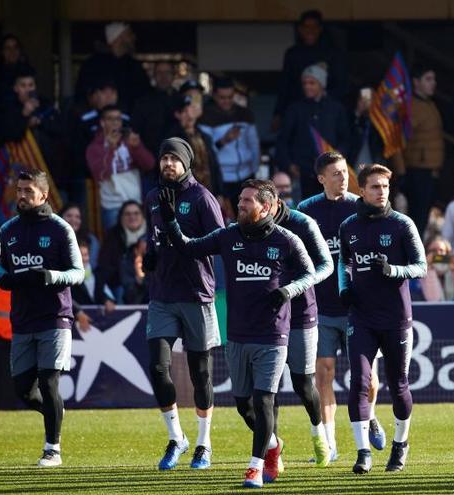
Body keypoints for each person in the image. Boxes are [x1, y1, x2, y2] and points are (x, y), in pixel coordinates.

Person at [162, 178, 314, 488]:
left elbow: (309, 273)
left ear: (266, 207)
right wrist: (170, 220)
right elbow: (188, 248)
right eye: (241, 199)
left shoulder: (286, 240)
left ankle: (255, 467)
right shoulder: (228, 236)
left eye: (247, 201)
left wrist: (288, 290)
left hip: (273, 335)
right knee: (244, 406)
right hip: (238, 335)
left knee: (263, 400)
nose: (240, 204)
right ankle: (273, 445)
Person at [297, 152, 387, 464]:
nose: (343, 178)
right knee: (323, 375)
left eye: (345, 172)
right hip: (321, 309)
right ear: (321, 178)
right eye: (335, 173)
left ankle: (370, 416)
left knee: (368, 379)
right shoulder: (306, 211)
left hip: (359, 309)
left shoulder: (361, 207)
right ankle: (330, 443)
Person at [142, 137, 225, 471]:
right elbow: (152, 235)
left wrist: (181, 239)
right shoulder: (153, 197)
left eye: (174, 158)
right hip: (162, 294)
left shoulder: (202, 197)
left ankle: (204, 443)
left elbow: (219, 241)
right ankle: (177, 437)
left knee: (200, 373)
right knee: (158, 368)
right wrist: (150, 254)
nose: (168, 164)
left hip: (196, 294)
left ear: (186, 162)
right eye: (164, 158)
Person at [338, 164, 426, 474]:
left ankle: (400, 445)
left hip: (396, 318)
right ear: (361, 190)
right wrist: (344, 288)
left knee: (398, 384)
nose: (381, 191)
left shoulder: (402, 224)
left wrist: (393, 271)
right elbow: (344, 262)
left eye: (385, 186)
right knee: (359, 382)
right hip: (361, 317)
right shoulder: (348, 226)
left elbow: (421, 266)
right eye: (375, 186)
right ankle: (363, 452)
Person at [0, 169, 84, 467]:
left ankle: (52, 449)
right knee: (23, 390)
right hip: (22, 319)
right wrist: (3, 278)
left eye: (28, 191)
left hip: (55, 317)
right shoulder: (8, 230)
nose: (21, 196)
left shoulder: (60, 229)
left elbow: (78, 272)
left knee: (48, 382)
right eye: (19, 190)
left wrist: (52, 276)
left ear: (44, 195)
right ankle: (55, 412)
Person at [271, 192, 334, 466]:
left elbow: (326, 265)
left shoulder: (303, 223)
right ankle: (272, 450)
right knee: (267, 389)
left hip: (301, 314)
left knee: (304, 384)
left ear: (274, 203)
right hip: (268, 317)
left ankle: (318, 433)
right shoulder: (247, 228)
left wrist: (298, 286)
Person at [276, 64, 349, 198]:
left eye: (312, 83)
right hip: (302, 174)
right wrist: (289, 165)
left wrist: (338, 156)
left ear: (322, 84)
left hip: (329, 172)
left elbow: (345, 139)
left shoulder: (336, 108)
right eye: (305, 83)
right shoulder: (295, 109)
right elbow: (282, 140)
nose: (307, 86)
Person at [391, 64, 444, 234]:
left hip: (430, 172)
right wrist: (401, 173)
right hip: (416, 172)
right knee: (415, 221)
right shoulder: (411, 108)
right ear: (416, 82)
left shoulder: (430, 104)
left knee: (423, 220)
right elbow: (396, 141)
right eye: (428, 79)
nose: (433, 83)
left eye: (434, 79)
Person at [85, 104, 155, 229]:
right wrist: (111, 149)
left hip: (135, 202)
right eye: (110, 119)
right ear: (102, 122)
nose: (115, 123)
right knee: (115, 240)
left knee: (140, 240)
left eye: (118, 119)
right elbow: (100, 175)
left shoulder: (129, 141)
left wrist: (137, 147)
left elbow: (149, 165)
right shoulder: (95, 147)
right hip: (112, 206)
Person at [273, 10, 348, 126]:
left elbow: (341, 85)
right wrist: (278, 113)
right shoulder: (293, 54)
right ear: (300, 29)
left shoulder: (332, 53)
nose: (310, 31)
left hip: (325, 111)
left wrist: (322, 100)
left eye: (314, 27)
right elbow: (285, 85)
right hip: (298, 112)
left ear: (320, 29)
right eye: (306, 27)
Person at [200, 77, 260, 206]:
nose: (227, 101)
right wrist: (224, 140)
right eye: (222, 98)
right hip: (222, 176)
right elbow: (204, 151)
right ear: (214, 96)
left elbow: (254, 144)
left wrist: (255, 170)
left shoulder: (245, 113)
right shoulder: (206, 116)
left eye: (230, 97)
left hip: (246, 174)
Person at [74, 22, 150, 111]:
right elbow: (82, 96)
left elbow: (146, 96)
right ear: (118, 37)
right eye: (129, 34)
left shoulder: (135, 66)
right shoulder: (92, 65)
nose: (134, 37)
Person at [168, 95, 224, 198]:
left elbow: (214, 166)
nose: (189, 115)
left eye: (191, 110)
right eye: (184, 111)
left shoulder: (204, 136)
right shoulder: (173, 140)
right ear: (177, 114)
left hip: (209, 194)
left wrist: (219, 193)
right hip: (187, 196)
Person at [96, 200, 145, 303]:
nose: (132, 217)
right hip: (120, 286)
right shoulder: (112, 237)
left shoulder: (152, 234)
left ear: (143, 216)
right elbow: (104, 269)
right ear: (121, 217)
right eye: (127, 214)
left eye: (136, 213)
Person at [0, 34, 35, 118]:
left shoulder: (27, 70)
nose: (12, 51)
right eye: (8, 48)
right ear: (2, 51)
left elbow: (33, 95)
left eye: (15, 47)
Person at [132, 61, 177, 154]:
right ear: (154, 76)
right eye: (159, 73)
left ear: (173, 75)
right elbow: (136, 131)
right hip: (150, 155)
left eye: (167, 72)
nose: (163, 76)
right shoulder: (143, 102)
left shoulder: (181, 100)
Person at [420, 237, 454, 301]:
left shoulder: (453, 269)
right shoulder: (420, 272)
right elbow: (433, 299)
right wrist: (429, 269)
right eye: (433, 251)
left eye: (441, 250)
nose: (438, 254)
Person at [59, 203, 100, 271]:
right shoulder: (51, 237)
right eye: (69, 216)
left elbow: (92, 265)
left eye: (77, 217)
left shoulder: (91, 240)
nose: (73, 220)